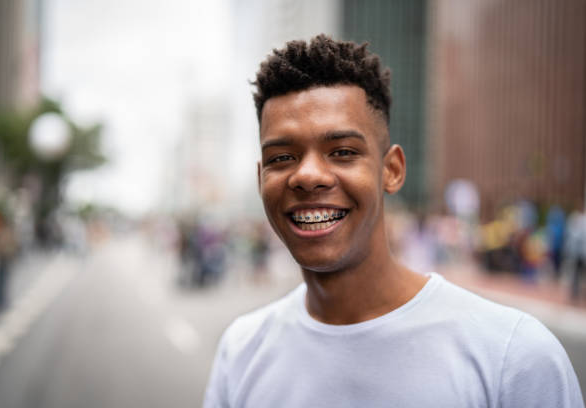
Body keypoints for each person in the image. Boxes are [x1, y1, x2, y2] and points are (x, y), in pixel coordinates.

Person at [204, 34, 583, 407]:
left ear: (392, 170)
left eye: (342, 151)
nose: (308, 175)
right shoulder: (240, 351)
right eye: (282, 157)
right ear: (260, 179)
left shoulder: (512, 357)